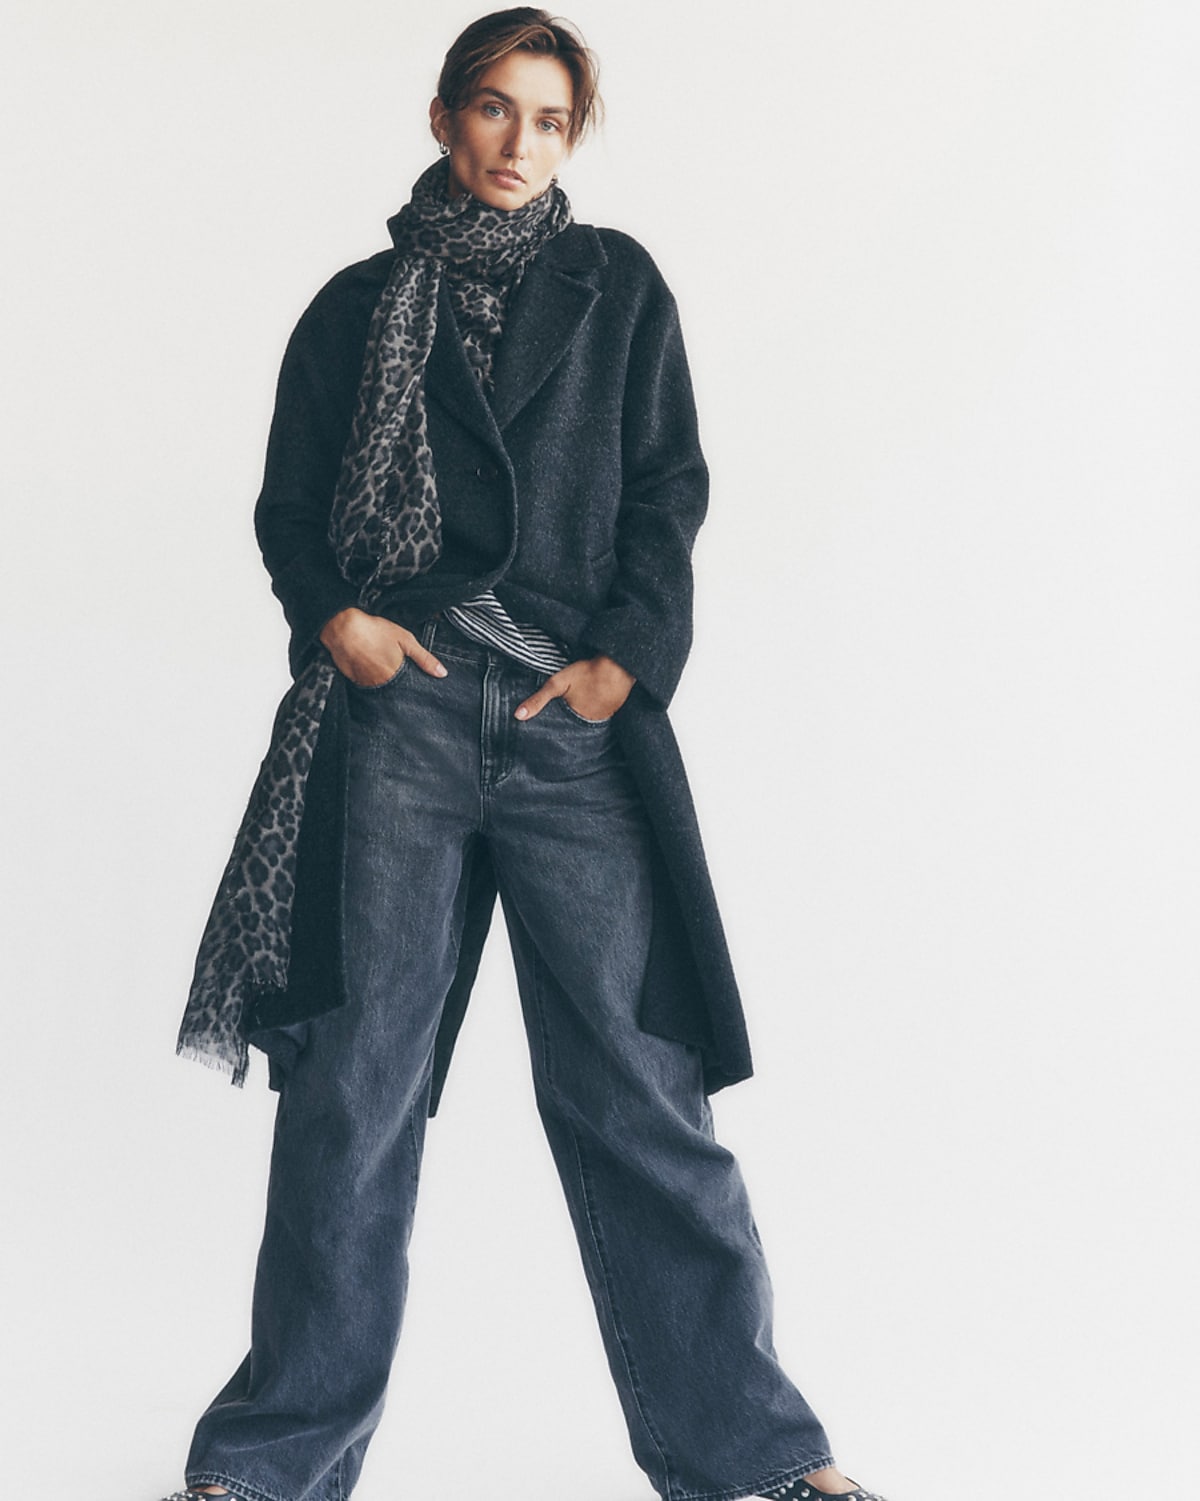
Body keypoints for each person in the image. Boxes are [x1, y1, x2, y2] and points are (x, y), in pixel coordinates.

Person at [164, 11, 890, 1501]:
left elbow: (668, 486)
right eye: (494, 110)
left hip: (571, 732)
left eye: (549, 119)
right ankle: (267, 1467)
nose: (518, 142)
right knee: (352, 1095)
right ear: (443, 119)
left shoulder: (617, 289)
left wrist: (629, 656)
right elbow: (291, 509)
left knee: (642, 1091)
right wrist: (342, 624)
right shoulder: (356, 309)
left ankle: (752, 1461)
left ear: (576, 138)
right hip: (398, 723)